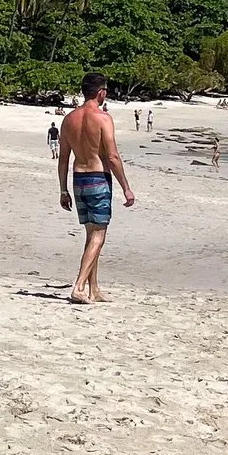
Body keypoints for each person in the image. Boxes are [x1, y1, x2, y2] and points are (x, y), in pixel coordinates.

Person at [58, 70, 135, 303]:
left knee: (92, 234)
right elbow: (112, 157)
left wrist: (63, 190)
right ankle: (79, 286)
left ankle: (94, 289)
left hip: (78, 179)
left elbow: (63, 159)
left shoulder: (69, 119)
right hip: (98, 178)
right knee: (99, 235)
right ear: (101, 93)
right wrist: (126, 188)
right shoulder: (103, 118)